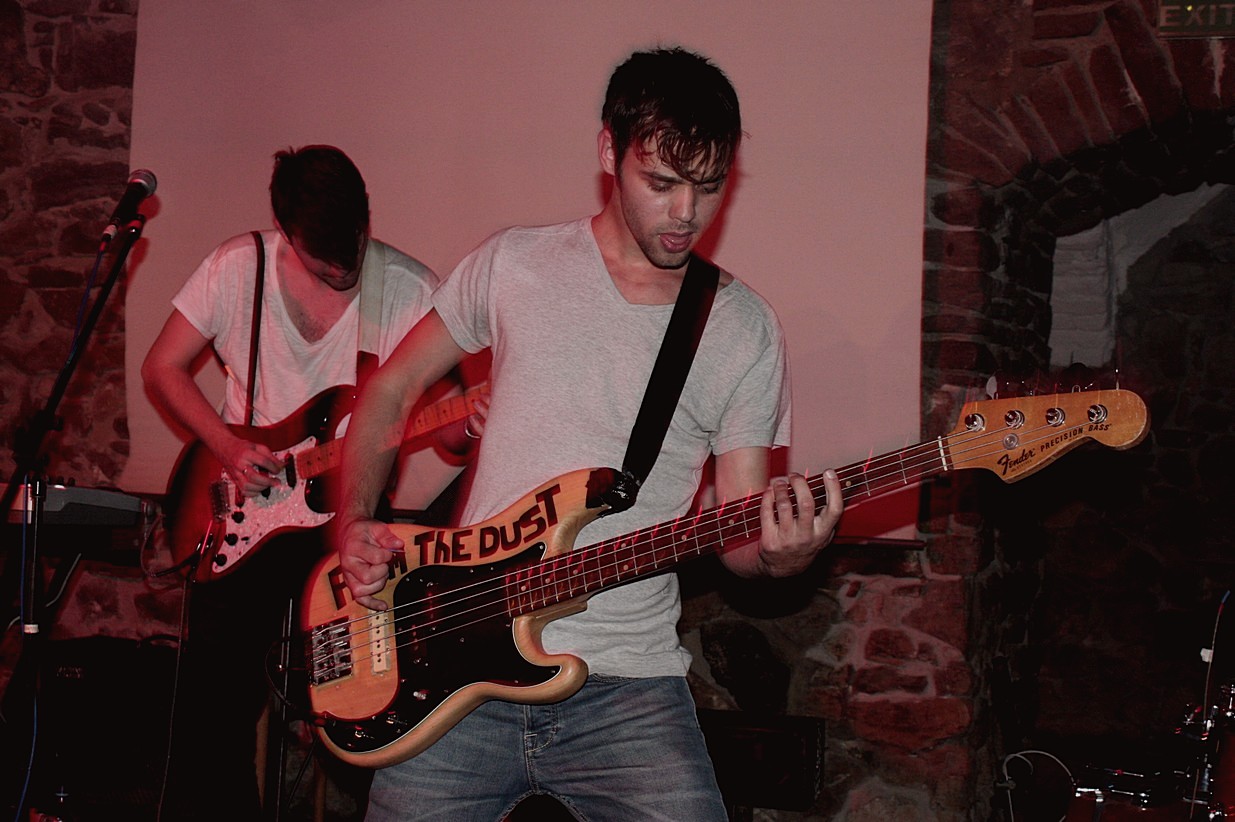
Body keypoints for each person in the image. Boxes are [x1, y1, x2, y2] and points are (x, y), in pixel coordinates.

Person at [335, 48, 844, 821]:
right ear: (609, 152)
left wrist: (784, 555)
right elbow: (390, 389)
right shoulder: (514, 264)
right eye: (661, 183)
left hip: (627, 687)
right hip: (454, 665)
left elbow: (740, 532)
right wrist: (353, 523)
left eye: (708, 186)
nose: (686, 213)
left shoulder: (739, 328)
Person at [141, 145, 480, 821]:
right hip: (245, 511)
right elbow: (162, 368)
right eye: (326, 265)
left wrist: (470, 423)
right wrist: (227, 445)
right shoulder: (238, 267)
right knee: (210, 703)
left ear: (366, 217)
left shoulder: (409, 289)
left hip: (347, 517)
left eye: (351, 254)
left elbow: (447, 434)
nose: (343, 273)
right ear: (287, 234)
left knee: (370, 698)